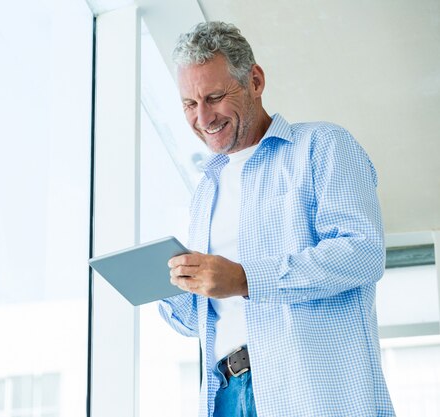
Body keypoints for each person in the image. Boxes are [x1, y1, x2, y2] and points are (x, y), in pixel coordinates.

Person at [160, 22, 395, 417]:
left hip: (311, 393)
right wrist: (174, 284)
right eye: (189, 104)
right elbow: (197, 321)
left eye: (215, 97)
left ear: (254, 80)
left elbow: (362, 253)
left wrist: (245, 278)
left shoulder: (322, 146)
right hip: (226, 394)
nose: (203, 117)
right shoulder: (205, 191)